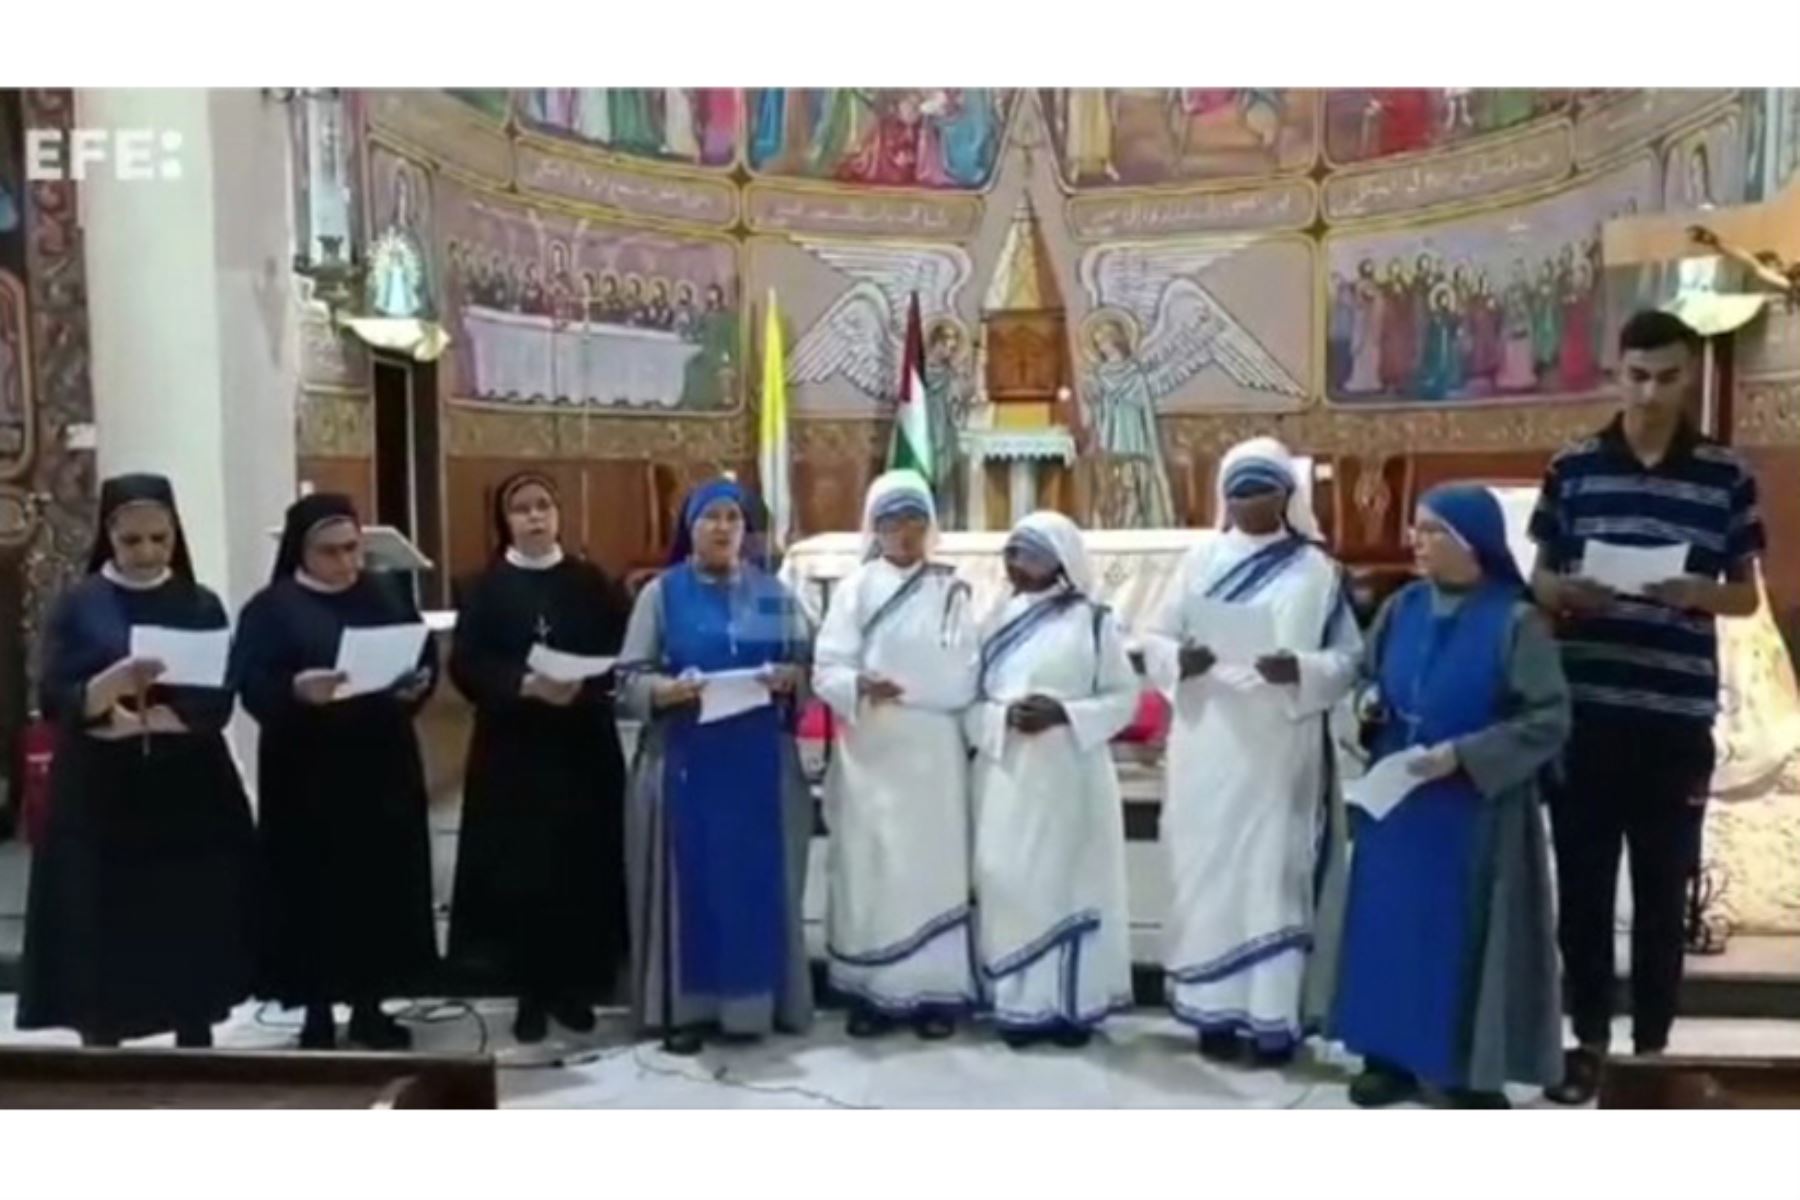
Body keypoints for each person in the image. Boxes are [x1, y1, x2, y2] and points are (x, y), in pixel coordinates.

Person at [1530, 310, 1765, 1105]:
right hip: (1587, 712)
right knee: (1586, 894)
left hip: (1672, 720)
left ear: (1689, 374)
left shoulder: (1726, 476)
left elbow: (1744, 596)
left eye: (1667, 377)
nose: (1651, 392)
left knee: (1665, 895)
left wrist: (1703, 590)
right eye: (1637, 375)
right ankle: (1589, 1042)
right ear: (1614, 370)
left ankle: (1653, 1049)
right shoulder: (1572, 468)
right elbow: (1539, 583)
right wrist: (1567, 591)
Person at [1330, 483, 1569, 1108]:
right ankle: (1389, 1057)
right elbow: (1364, 678)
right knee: (1391, 925)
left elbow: (1548, 719)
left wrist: (1464, 756)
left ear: (1472, 545)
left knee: (1467, 938)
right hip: (1401, 805)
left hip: (1475, 811)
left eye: (1432, 531)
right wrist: (1367, 703)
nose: (1418, 541)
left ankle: (1471, 1068)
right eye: (1416, 529)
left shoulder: (1515, 622)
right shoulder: (1402, 608)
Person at [18, 474, 255, 1048]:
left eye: (160, 539)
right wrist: (109, 688)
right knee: (103, 919)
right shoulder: (81, 603)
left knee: (188, 913)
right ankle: (104, 1037)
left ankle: (194, 1030)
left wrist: (148, 721)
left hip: (186, 784)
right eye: (133, 542)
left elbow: (217, 693)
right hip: (101, 790)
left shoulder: (199, 603)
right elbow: (53, 692)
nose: (148, 553)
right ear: (110, 537)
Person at [1144, 440, 1360, 1065]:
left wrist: (1298, 667)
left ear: (1285, 497)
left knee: (1271, 872)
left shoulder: (1318, 571)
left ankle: (1271, 1016)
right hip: (1208, 738)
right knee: (1207, 872)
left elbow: (1347, 658)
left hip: (1277, 742)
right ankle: (1212, 1012)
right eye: (1237, 491)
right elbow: (1155, 636)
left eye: (1261, 490)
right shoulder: (1198, 561)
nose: (1247, 502)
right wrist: (1176, 660)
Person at [231, 494, 438, 1051]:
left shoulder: (386, 595)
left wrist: (416, 684)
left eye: (353, 550)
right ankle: (315, 1011)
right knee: (311, 893)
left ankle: (371, 1007)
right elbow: (250, 683)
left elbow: (421, 657)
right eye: (331, 552)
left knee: (379, 891)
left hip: (380, 766)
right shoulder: (271, 609)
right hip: (307, 775)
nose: (346, 563)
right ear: (302, 551)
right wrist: (297, 690)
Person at [617, 479, 814, 1054]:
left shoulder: (772, 593)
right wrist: (666, 690)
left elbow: (808, 664)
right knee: (693, 887)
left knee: (757, 885)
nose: (724, 528)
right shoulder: (662, 594)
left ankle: (757, 1006)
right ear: (690, 528)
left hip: (759, 766)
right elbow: (628, 678)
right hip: (686, 761)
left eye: (733, 518)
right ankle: (687, 1009)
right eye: (711, 518)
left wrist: (790, 680)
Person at [447, 472, 632, 1045]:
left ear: (558, 514)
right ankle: (527, 991)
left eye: (544, 506)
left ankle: (576, 986)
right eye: (522, 508)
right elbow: (468, 664)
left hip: (580, 748)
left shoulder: (591, 582)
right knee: (520, 870)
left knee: (578, 865)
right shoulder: (482, 586)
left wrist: (584, 686)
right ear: (505, 520)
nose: (534, 517)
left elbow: (623, 653)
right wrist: (522, 684)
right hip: (514, 754)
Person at [814, 470, 980, 1040]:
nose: (904, 532)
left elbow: (967, 670)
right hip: (872, 753)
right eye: (891, 521)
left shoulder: (953, 590)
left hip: (933, 753)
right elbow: (827, 666)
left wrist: (924, 690)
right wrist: (859, 684)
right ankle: (870, 991)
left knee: (931, 871)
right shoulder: (856, 589)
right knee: (872, 868)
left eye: (914, 519)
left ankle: (935, 992)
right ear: (875, 528)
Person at [967, 511, 1137, 1048]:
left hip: (1071, 776)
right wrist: (1000, 719)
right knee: (1011, 885)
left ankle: (1073, 1007)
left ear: (1060, 560)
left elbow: (1123, 698)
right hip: (1008, 777)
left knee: (1070, 883)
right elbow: (967, 703)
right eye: (1012, 553)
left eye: (1031, 554)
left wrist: (1065, 714)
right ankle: (1017, 1006)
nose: (1018, 564)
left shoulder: (1094, 622)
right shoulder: (990, 621)